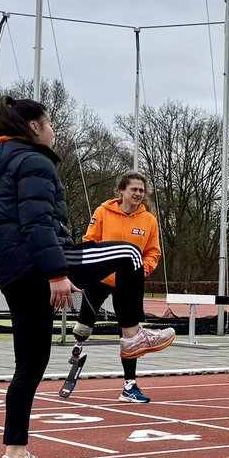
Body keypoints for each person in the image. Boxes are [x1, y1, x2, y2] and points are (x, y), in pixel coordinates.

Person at [0, 97, 175, 458]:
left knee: (29, 367)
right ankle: (132, 336)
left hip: (13, 273)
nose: (53, 130)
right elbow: (37, 223)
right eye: (49, 123)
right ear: (33, 128)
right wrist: (55, 273)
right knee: (131, 254)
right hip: (42, 262)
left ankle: (14, 455)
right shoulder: (34, 161)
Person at [71, 172, 164, 403]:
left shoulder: (149, 220)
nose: (138, 194)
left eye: (142, 191)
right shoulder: (103, 212)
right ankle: (77, 349)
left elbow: (153, 251)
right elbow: (89, 242)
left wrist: (142, 270)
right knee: (84, 325)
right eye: (134, 189)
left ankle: (129, 386)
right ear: (121, 191)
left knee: (130, 334)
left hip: (129, 283)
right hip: (101, 278)